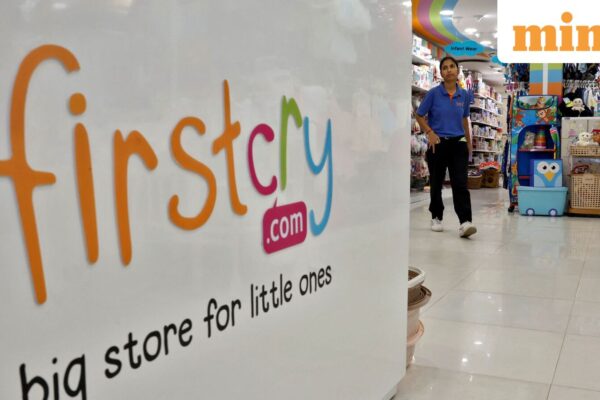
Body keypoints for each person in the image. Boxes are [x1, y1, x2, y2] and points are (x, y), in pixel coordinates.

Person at [415, 56, 477, 238]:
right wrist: (429, 132)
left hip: (458, 143)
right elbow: (419, 115)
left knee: (460, 183)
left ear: (457, 71)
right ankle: (436, 216)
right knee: (436, 182)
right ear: (441, 72)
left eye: (452, 67)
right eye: (445, 68)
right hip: (438, 143)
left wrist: (469, 142)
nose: (449, 70)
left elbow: (464, 119)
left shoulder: (464, 95)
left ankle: (465, 222)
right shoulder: (433, 93)